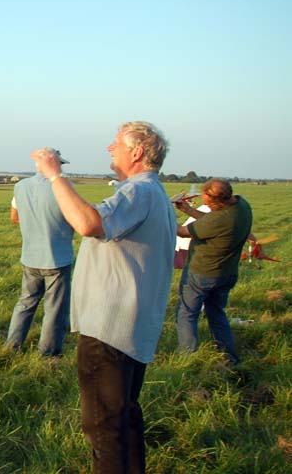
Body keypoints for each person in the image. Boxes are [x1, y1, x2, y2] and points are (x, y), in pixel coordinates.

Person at [32, 121, 174, 474]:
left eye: (116, 145)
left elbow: (89, 224)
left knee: (103, 427)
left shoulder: (137, 192)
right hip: (133, 325)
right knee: (124, 415)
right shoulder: (155, 194)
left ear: (137, 152)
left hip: (110, 327)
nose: (110, 149)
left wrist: (54, 176)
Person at [174, 179, 254, 365]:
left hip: (202, 274)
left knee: (186, 314)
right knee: (216, 313)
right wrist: (187, 210)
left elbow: (183, 232)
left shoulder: (220, 219)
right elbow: (211, 221)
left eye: (207, 201)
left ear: (217, 201)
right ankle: (230, 357)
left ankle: (188, 361)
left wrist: (164, 213)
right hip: (227, 274)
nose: (206, 203)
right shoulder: (241, 206)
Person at [6, 147, 75, 357]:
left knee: (25, 302)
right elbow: (74, 217)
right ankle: (48, 354)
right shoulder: (63, 187)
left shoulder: (21, 186)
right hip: (57, 258)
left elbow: (14, 218)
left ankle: (11, 346)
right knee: (54, 309)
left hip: (30, 256)